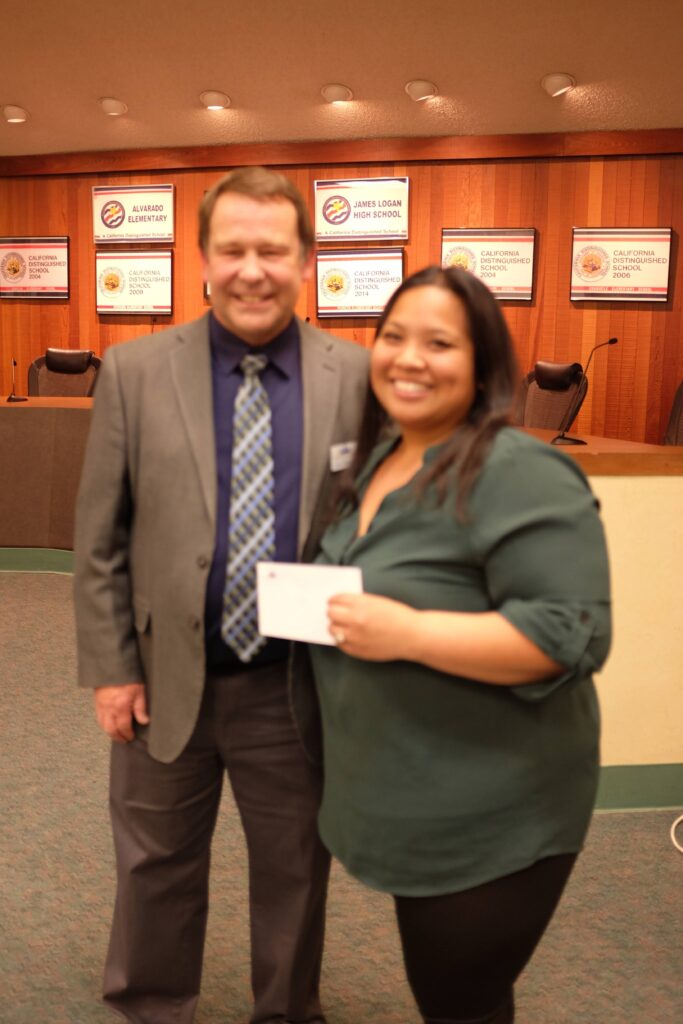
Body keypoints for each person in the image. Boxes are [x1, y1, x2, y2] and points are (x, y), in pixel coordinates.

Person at [73, 166, 369, 1024]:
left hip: (294, 683)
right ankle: (152, 1005)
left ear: (304, 261)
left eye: (271, 250)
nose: (251, 270)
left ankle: (285, 1010)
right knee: (153, 863)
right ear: (202, 258)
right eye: (232, 249)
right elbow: (100, 535)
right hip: (163, 676)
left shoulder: (356, 375)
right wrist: (110, 669)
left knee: (295, 868)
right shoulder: (133, 370)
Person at [310, 266, 612, 1024]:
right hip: (402, 791)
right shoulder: (379, 459)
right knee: (455, 993)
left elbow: (570, 634)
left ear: (482, 365)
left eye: (439, 343)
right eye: (393, 337)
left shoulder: (520, 471)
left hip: (493, 809)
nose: (409, 358)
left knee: (457, 1001)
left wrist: (410, 633)